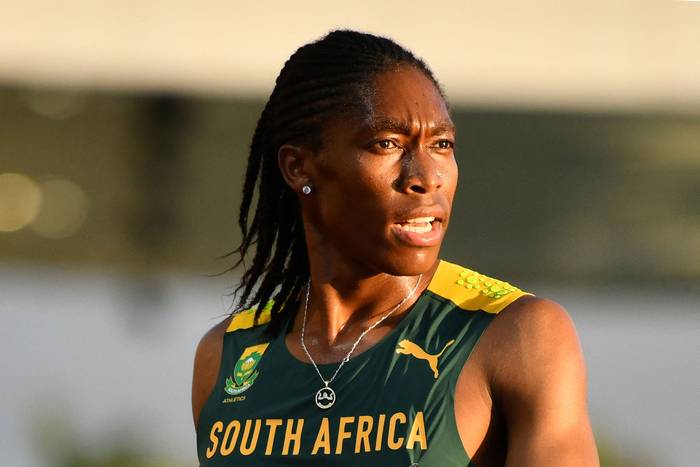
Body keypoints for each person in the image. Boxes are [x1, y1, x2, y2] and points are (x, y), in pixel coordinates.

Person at [191, 30, 599, 466]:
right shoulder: (227, 355)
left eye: (441, 145)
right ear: (299, 167)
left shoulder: (514, 335)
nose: (425, 176)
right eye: (387, 144)